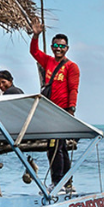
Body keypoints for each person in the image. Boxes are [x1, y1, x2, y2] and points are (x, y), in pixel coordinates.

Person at [30, 21, 80, 191]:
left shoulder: (71, 66)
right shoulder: (49, 61)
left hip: (62, 111)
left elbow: (73, 88)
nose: (58, 48)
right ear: (52, 47)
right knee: (58, 147)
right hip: (49, 111)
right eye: (56, 45)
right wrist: (36, 35)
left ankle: (59, 181)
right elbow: (34, 52)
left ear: (67, 48)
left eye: (62, 46)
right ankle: (65, 182)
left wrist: (71, 109)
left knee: (56, 147)